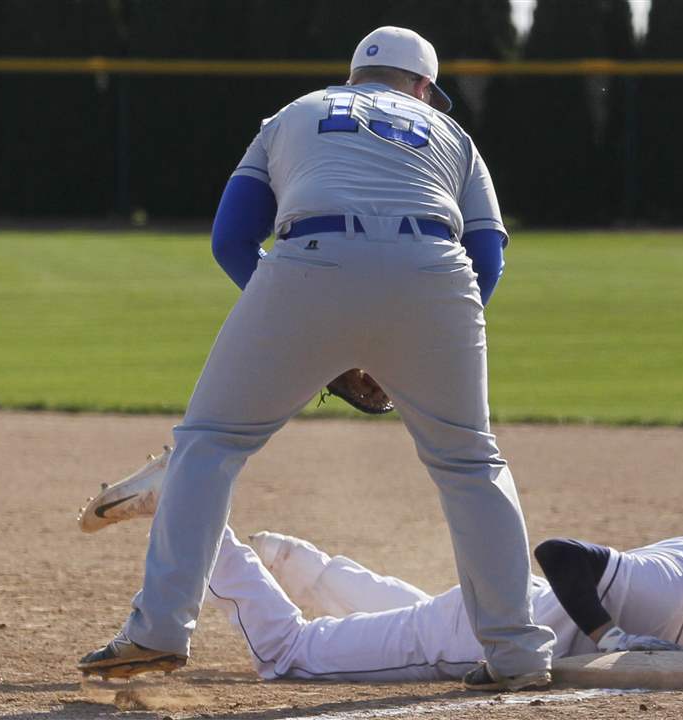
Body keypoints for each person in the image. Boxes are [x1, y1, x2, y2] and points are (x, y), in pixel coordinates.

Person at [78, 26, 555, 691]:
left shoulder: (294, 115)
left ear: (354, 76)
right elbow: (488, 258)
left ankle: (160, 629)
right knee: (471, 464)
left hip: (311, 260)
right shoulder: (455, 138)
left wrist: (304, 333)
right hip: (436, 273)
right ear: (422, 87)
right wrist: (426, 335)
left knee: (208, 444)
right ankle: (518, 655)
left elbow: (231, 238)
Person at [79, 479, 683, 684]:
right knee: (288, 654)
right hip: (466, 638)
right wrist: (609, 634)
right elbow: (560, 552)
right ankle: (190, 500)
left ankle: (294, 561)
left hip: (492, 611)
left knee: (407, 611)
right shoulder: (661, 582)